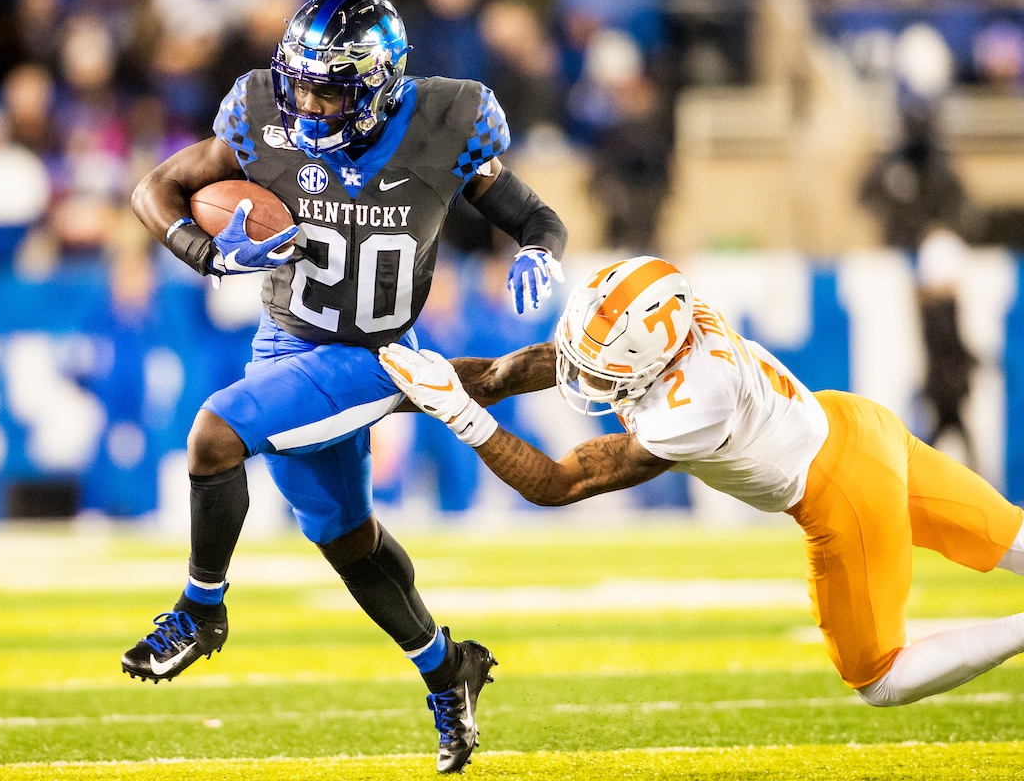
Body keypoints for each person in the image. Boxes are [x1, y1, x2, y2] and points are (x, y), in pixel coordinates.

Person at [125, 0, 567, 772]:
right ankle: (448, 670)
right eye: (298, 82)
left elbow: (534, 214)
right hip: (283, 341)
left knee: (215, 435)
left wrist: (539, 247)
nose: (305, 101)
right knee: (346, 540)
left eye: (326, 88)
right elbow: (153, 190)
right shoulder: (261, 114)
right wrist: (209, 252)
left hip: (373, 353)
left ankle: (200, 609)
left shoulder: (449, 122)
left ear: (376, 87)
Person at [380, 255, 1024, 709]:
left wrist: (462, 417)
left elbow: (557, 484)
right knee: (1010, 537)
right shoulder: (655, 318)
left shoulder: (691, 408)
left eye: (602, 371)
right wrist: (393, 393)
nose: (587, 380)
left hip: (842, 491)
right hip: (858, 423)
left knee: (879, 679)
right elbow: (506, 374)